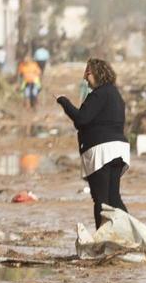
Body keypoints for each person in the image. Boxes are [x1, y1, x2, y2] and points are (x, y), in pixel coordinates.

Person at [55, 58, 130, 229]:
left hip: (102, 151)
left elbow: (81, 119)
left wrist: (64, 102)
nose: (85, 78)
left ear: (97, 73)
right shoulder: (116, 95)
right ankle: (129, 233)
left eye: (87, 73)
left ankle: (102, 237)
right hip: (119, 150)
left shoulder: (99, 94)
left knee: (101, 200)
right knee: (114, 198)